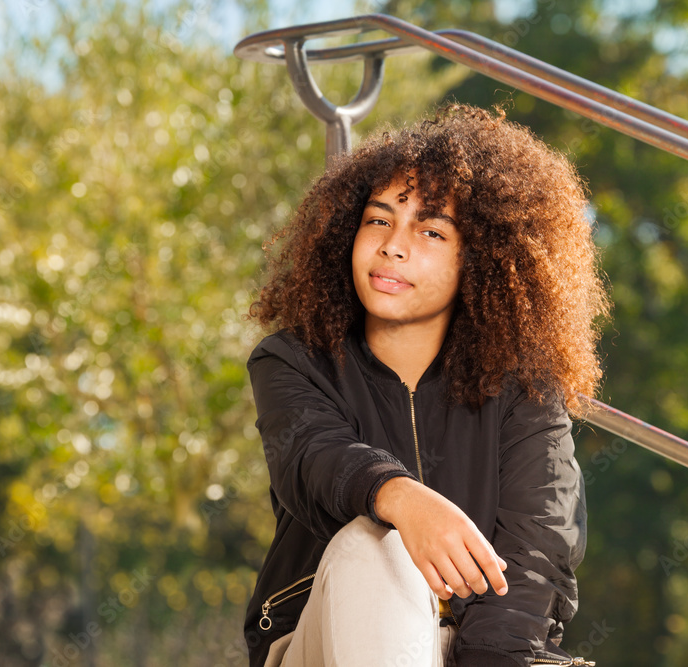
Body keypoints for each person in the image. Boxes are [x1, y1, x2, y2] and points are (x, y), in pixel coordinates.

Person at [242, 103, 611, 667]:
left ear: (483, 260)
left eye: (432, 230)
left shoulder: (526, 390)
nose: (393, 244)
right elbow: (312, 458)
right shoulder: (292, 360)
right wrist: (401, 498)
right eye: (379, 219)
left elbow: (538, 548)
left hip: (488, 649)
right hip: (328, 639)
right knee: (373, 544)